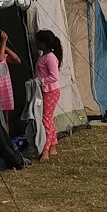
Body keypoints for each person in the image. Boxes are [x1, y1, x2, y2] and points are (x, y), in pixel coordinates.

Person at [34, 28, 63, 159]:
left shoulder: (50, 58)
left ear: (43, 43)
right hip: (46, 90)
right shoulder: (44, 56)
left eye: (38, 42)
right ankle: (53, 146)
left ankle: (45, 149)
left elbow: (54, 76)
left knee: (46, 119)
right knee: (49, 119)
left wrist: (40, 81)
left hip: (50, 91)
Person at [0, 19, 20, 119]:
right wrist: (4, 42)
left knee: (6, 117)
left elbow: (17, 60)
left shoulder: (4, 57)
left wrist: (4, 46)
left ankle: (7, 134)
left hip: (6, 90)